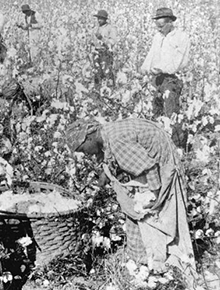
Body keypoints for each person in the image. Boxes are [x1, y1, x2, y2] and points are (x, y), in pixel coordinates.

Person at [65, 118, 195, 278]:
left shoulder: (117, 141)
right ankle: (141, 263)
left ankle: (174, 270)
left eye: (83, 149)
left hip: (162, 168)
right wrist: (106, 174)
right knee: (134, 211)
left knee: (161, 220)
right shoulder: (106, 135)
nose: (86, 154)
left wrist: (155, 197)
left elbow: (149, 167)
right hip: (150, 167)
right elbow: (114, 158)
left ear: (89, 137)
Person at [140, 7, 190, 148]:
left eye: (161, 26)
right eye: (157, 26)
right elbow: (151, 55)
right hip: (157, 78)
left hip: (171, 79)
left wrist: (161, 68)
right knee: (156, 110)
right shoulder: (158, 37)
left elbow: (180, 61)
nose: (159, 29)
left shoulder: (181, 37)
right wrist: (144, 68)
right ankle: (160, 143)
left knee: (171, 112)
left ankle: (176, 146)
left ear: (170, 23)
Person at [91, 9, 118, 88]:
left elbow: (112, 42)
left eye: (101, 18)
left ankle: (109, 93)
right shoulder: (95, 29)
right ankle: (97, 91)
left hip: (106, 54)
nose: (99, 20)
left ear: (105, 19)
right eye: (98, 18)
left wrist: (102, 39)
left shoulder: (111, 28)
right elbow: (92, 42)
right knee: (97, 73)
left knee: (107, 73)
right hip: (96, 53)